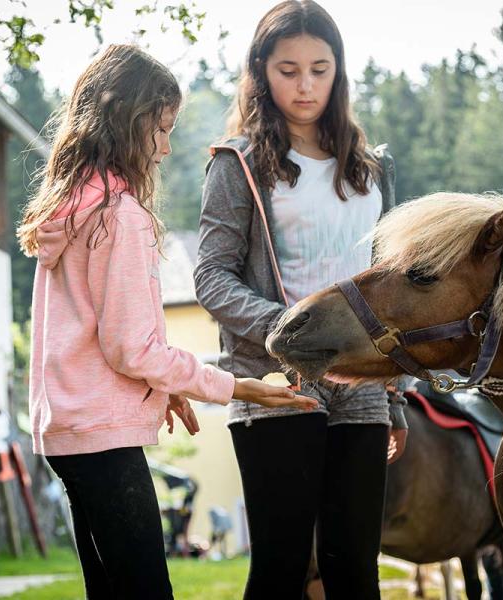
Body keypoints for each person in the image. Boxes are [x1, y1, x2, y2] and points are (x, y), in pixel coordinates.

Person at [17, 44, 316, 600]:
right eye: (159, 130)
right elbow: (132, 349)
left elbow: (103, 338)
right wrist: (233, 385)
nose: (164, 148)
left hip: (68, 433)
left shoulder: (73, 207)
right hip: (103, 438)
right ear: (128, 124)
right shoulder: (117, 216)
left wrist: (163, 385)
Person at [194, 3, 409, 598]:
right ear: (261, 71)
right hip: (275, 381)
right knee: (283, 572)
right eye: (288, 69)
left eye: (320, 68)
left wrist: (399, 397)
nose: (306, 84)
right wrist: (290, 330)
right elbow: (211, 278)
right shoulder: (237, 164)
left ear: (339, 70)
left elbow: (390, 287)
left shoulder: (372, 169)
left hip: (362, 385)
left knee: (355, 575)